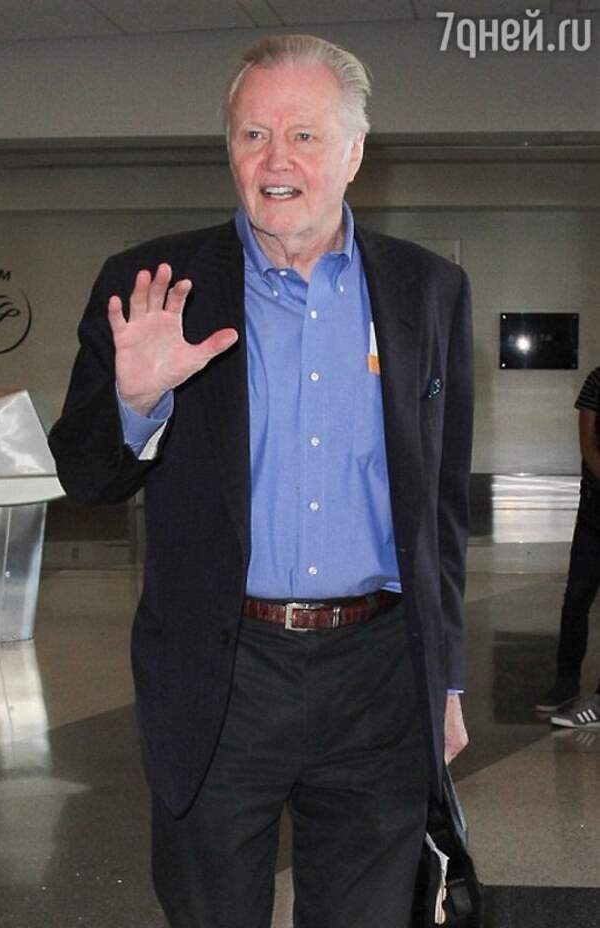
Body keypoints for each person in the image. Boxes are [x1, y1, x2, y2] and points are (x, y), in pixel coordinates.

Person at [49, 34, 474, 928]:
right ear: (230, 150)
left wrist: (446, 681)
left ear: (354, 152)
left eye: (304, 136)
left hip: (379, 678)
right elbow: (84, 476)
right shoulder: (155, 286)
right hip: (221, 672)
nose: (276, 161)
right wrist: (135, 400)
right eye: (253, 135)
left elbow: (438, 508)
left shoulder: (427, 290)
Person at [536, 366, 600, 729]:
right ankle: (566, 681)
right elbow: (588, 446)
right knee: (577, 597)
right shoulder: (597, 381)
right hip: (594, 512)